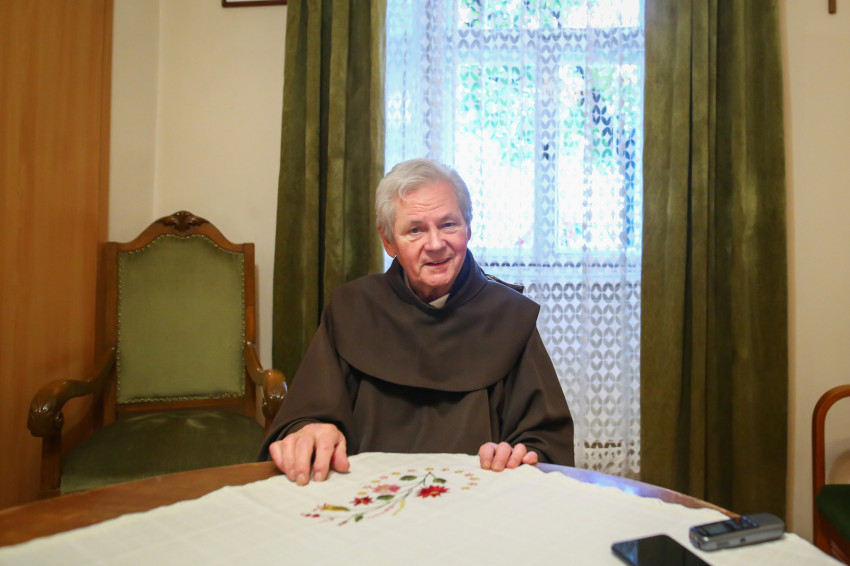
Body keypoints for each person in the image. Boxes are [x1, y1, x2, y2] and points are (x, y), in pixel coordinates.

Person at [260, 158, 574, 485]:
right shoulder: (351, 310)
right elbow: (302, 421)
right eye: (415, 230)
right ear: (388, 241)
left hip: (479, 497)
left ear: (468, 229)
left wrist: (518, 456)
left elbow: (546, 444)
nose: (435, 244)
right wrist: (311, 431)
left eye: (448, 225)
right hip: (365, 495)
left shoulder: (510, 317)